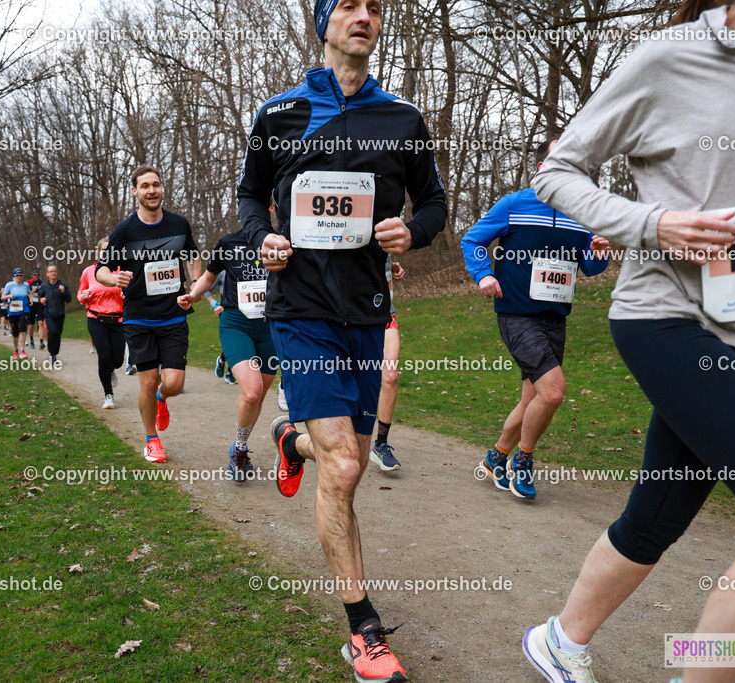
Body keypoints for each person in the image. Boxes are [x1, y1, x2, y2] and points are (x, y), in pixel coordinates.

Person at [518, 3, 735, 682]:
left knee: (656, 515)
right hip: (666, 320)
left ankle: (559, 639)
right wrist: (653, 223)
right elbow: (557, 172)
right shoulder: (671, 56)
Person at [236, 0, 447, 678]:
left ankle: (288, 440)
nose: (364, 15)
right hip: (299, 310)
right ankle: (364, 629)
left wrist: (413, 231)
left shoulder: (402, 119)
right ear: (324, 23)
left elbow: (435, 203)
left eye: (374, 7)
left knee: (341, 461)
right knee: (348, 467)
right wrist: (262, 237)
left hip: (366, 312)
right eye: (349, 5)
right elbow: (249, 196)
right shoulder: (279, 114)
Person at [461, 139, 610, 500]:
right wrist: (483, 275)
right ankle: (523, 461)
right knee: (553, 391)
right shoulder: (515, 204)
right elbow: (472, 240)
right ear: (542, 167)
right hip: (516, 314)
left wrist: (599, 253)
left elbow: (590, 266)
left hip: (555, 317)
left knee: (532, 399)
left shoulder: (582, 212)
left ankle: (496, 457)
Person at [96, 165, 201, 463]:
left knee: (174, 384)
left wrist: (194, 284)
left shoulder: (178, 224)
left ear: (161, 188)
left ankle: (161, 399)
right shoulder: (125, 230)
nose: (151, 190)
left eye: (155, 184)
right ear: (135, 191)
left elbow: (193, 255)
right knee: (149, 380)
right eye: (145, 186)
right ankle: (152, 439)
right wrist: (113, 278)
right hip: (138, 316)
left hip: (173, 313)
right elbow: (101, 269)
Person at [178, 229, 278, 483]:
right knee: (252, 392)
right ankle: (240, 450)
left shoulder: (282, 240)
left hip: (271, 327)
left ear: (271, 209)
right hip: (236, 323)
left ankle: (240, 444)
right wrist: (193, 295)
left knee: (258, 398)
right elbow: (209, 276)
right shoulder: (229, 242)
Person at [79, 238, 125, 409]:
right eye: (104, 249)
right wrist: (84, 296)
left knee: (118, 360)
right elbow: (80, 294)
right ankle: (108, 395)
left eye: (110, 249)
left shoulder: (121, 270)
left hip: (118, 319)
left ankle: (111, 370)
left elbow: (131, 292)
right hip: (96, 319)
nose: (107, 252)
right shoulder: (89, 272)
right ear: (98, 252)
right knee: (104, 356)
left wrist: (126, 295)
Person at [370, 257, 405, 471]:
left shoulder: (386, 241)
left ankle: (381, 444)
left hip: (384, 314)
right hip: (352, 316)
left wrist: (392, 266)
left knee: (391, 376)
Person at [39, 264, 71, 365]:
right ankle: (51, 354)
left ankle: (54, 355)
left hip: (60, 314)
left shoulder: (62, 285)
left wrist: (63, 292)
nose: (53, 273)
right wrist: (41, 300)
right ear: (47, 274)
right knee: (52, 331)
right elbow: (40, 297)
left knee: (57, 334)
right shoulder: (44, 286)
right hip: (49, 313)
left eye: (55, 271)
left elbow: (68, 299)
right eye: (51, 271)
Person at [2, 268, 31, 359]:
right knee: (15, 332)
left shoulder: (26, 285)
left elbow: (29, 293)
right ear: (14, 277)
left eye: (20, 275)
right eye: (17, 275)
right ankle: (16, 350)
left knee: (23, 329)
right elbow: (2, 297)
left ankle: (23, 351)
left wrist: (31, 299)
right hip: (13, 310)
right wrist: (9, 296)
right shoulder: (9, 285)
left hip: (24, 309)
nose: (19, 277)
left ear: (22, 276)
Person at [26, 268, 46, 350]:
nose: (36, 276)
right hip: (31, 306)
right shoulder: (29, 284)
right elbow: (26, 294)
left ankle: (41, 342)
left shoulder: (43, 283)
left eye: (38, 275)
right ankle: (31, 340)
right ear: (32, 276)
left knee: (41, 323)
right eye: (35, 275)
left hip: (40, 306)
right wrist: (32, 292)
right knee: (31, 324)